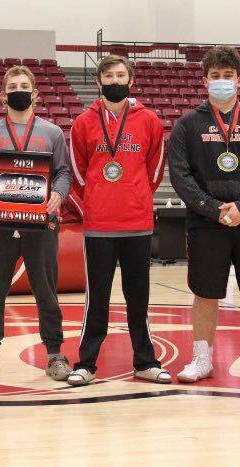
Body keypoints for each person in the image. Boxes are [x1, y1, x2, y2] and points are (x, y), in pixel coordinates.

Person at [168, 46, 240, 386]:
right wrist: (211, 208)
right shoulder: (187, 124)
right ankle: (202, 358)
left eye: (228, 76)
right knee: (205, 292)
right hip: (206, 220)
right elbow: (180, 176)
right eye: (215, 76)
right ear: (205, 81)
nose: (222, 81)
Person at [66, 54, 170, 386]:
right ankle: (86, 363)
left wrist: (135, 195)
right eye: (108, 76)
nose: (115, 81)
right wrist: (98, 199)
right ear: (99, 82)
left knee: (138, 298)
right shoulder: (84, 122)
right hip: (99, 225)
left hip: (137, 222)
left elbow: (155, 170)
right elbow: (78, 173)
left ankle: (145, 361)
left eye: (120, 75)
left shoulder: (149, 120)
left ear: (131, 80)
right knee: (96, 299)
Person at [0, 65, 72, 381]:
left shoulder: (52, 133)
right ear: (2, 96)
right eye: (12, 87)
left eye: (24, 86)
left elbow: (63, 172)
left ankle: (54, 355)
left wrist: (58, 195)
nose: (18, 91)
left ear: (35, 94)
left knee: (46, 290)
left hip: (40, 223)